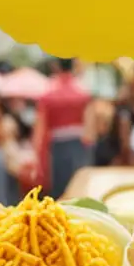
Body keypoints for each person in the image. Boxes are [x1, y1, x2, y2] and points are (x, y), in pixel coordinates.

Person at [34, 59, 91, 196]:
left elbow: (40, 129)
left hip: (57, 144)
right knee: (78, 184)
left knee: (59, 187)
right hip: (78, 143)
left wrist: (38, 154)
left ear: (56, 66)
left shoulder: (48, 92)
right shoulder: (82, 90)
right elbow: (90, 128)